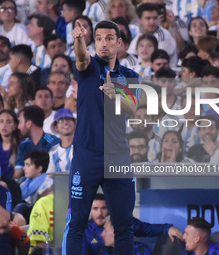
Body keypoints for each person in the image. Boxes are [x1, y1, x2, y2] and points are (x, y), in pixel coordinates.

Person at [63, 19, 140, 255]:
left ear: (119, 43)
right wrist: (78, 39)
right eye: (98, 39)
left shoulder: (130, 75)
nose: (103, 44)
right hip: (87, 155)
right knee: (76, 222)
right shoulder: (89, 67)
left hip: (118, 156)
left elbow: (132, 107)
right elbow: (81, 57)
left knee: (123, 225)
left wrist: (115, 93)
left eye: (108, 38)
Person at [83, 193, 183, 255]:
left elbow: (147, 228)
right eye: (95, 209)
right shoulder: (84, 231)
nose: (100, 213)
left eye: (103, 208)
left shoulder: (123, 222)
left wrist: (168, 228)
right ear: (89, 211)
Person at [15, 105, 60, 179]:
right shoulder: (23, 146)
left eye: (20, 122)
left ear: (28, 124)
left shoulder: (53, 143)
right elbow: (18, 175)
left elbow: (55, 174)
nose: (18, 127)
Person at [0, 109, 20, 178]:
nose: (4, 125)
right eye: (1, 121)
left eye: (8, 122)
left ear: (15, 126)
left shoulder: (21, 146)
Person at [47, 108, 76, 173]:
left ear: (75, 124)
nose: (65, 122)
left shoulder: (84, 147)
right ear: (56, 127)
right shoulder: (53, 152)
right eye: (60, 121)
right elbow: (50, 176)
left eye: (68, 119)